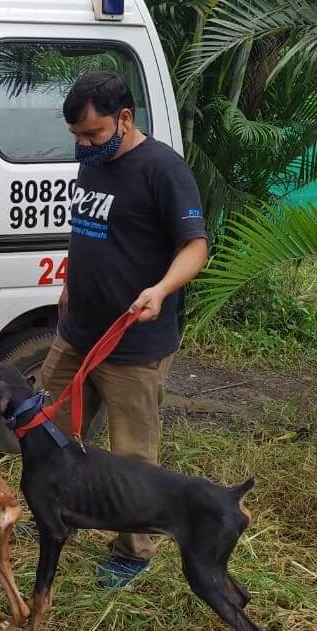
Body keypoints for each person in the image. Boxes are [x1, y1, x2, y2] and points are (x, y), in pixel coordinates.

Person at [39, 70, 208, 588]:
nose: (82, 146)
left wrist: (160, 290)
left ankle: (133, 551)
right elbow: (87, 229)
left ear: (125, 119)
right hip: (78, 331)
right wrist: (69, 279)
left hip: (134, 344)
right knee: (47, 426)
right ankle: (59, 512)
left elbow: (196, 247)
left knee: (132, 455)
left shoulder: (163, 169)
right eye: (76, 137)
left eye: (91, 135)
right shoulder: (94, 165)